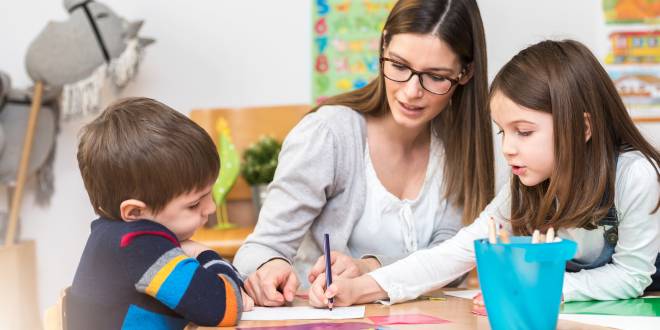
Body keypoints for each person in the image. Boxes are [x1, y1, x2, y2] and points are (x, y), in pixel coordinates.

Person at [308, 39, 660, 307]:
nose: (507, 148)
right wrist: (360, 289)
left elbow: (631, 276)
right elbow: (458, 252)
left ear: (582, 128)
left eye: (523, 131)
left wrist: (541, 288)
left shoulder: (635, 176)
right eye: (502, 131)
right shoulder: (527, 184)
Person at [233, 0, 495, 307]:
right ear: (383, 45)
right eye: (399, 66)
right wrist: (268, 266)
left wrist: (370, 268)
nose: (411, 91)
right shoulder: (329, 134)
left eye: (436, 77)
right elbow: (259, 249)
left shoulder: (459, 145)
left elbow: (451, 260)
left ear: (465, 74)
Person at [68, 97, 254, 329]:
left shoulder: (111, 235)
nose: (211, 208)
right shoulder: (138, 243)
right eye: (194, 204)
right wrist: (204, 252)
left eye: (210, 194)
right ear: (135, 212)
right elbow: (224, 307)